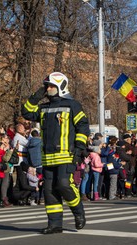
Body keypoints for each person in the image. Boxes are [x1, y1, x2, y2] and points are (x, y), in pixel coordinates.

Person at [21, 72, 90, 234]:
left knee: (64, 184)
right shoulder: (44, 108)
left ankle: (78, 212)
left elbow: (83, 127)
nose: (48, 88)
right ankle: (55, 224)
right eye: (47, 86)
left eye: (51, 86)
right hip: (48, 157)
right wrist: (37, 95)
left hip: (67, 155)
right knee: (49, 190)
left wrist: (79, 149)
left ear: (61, 87)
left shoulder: (72, 105)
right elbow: (26, 112)